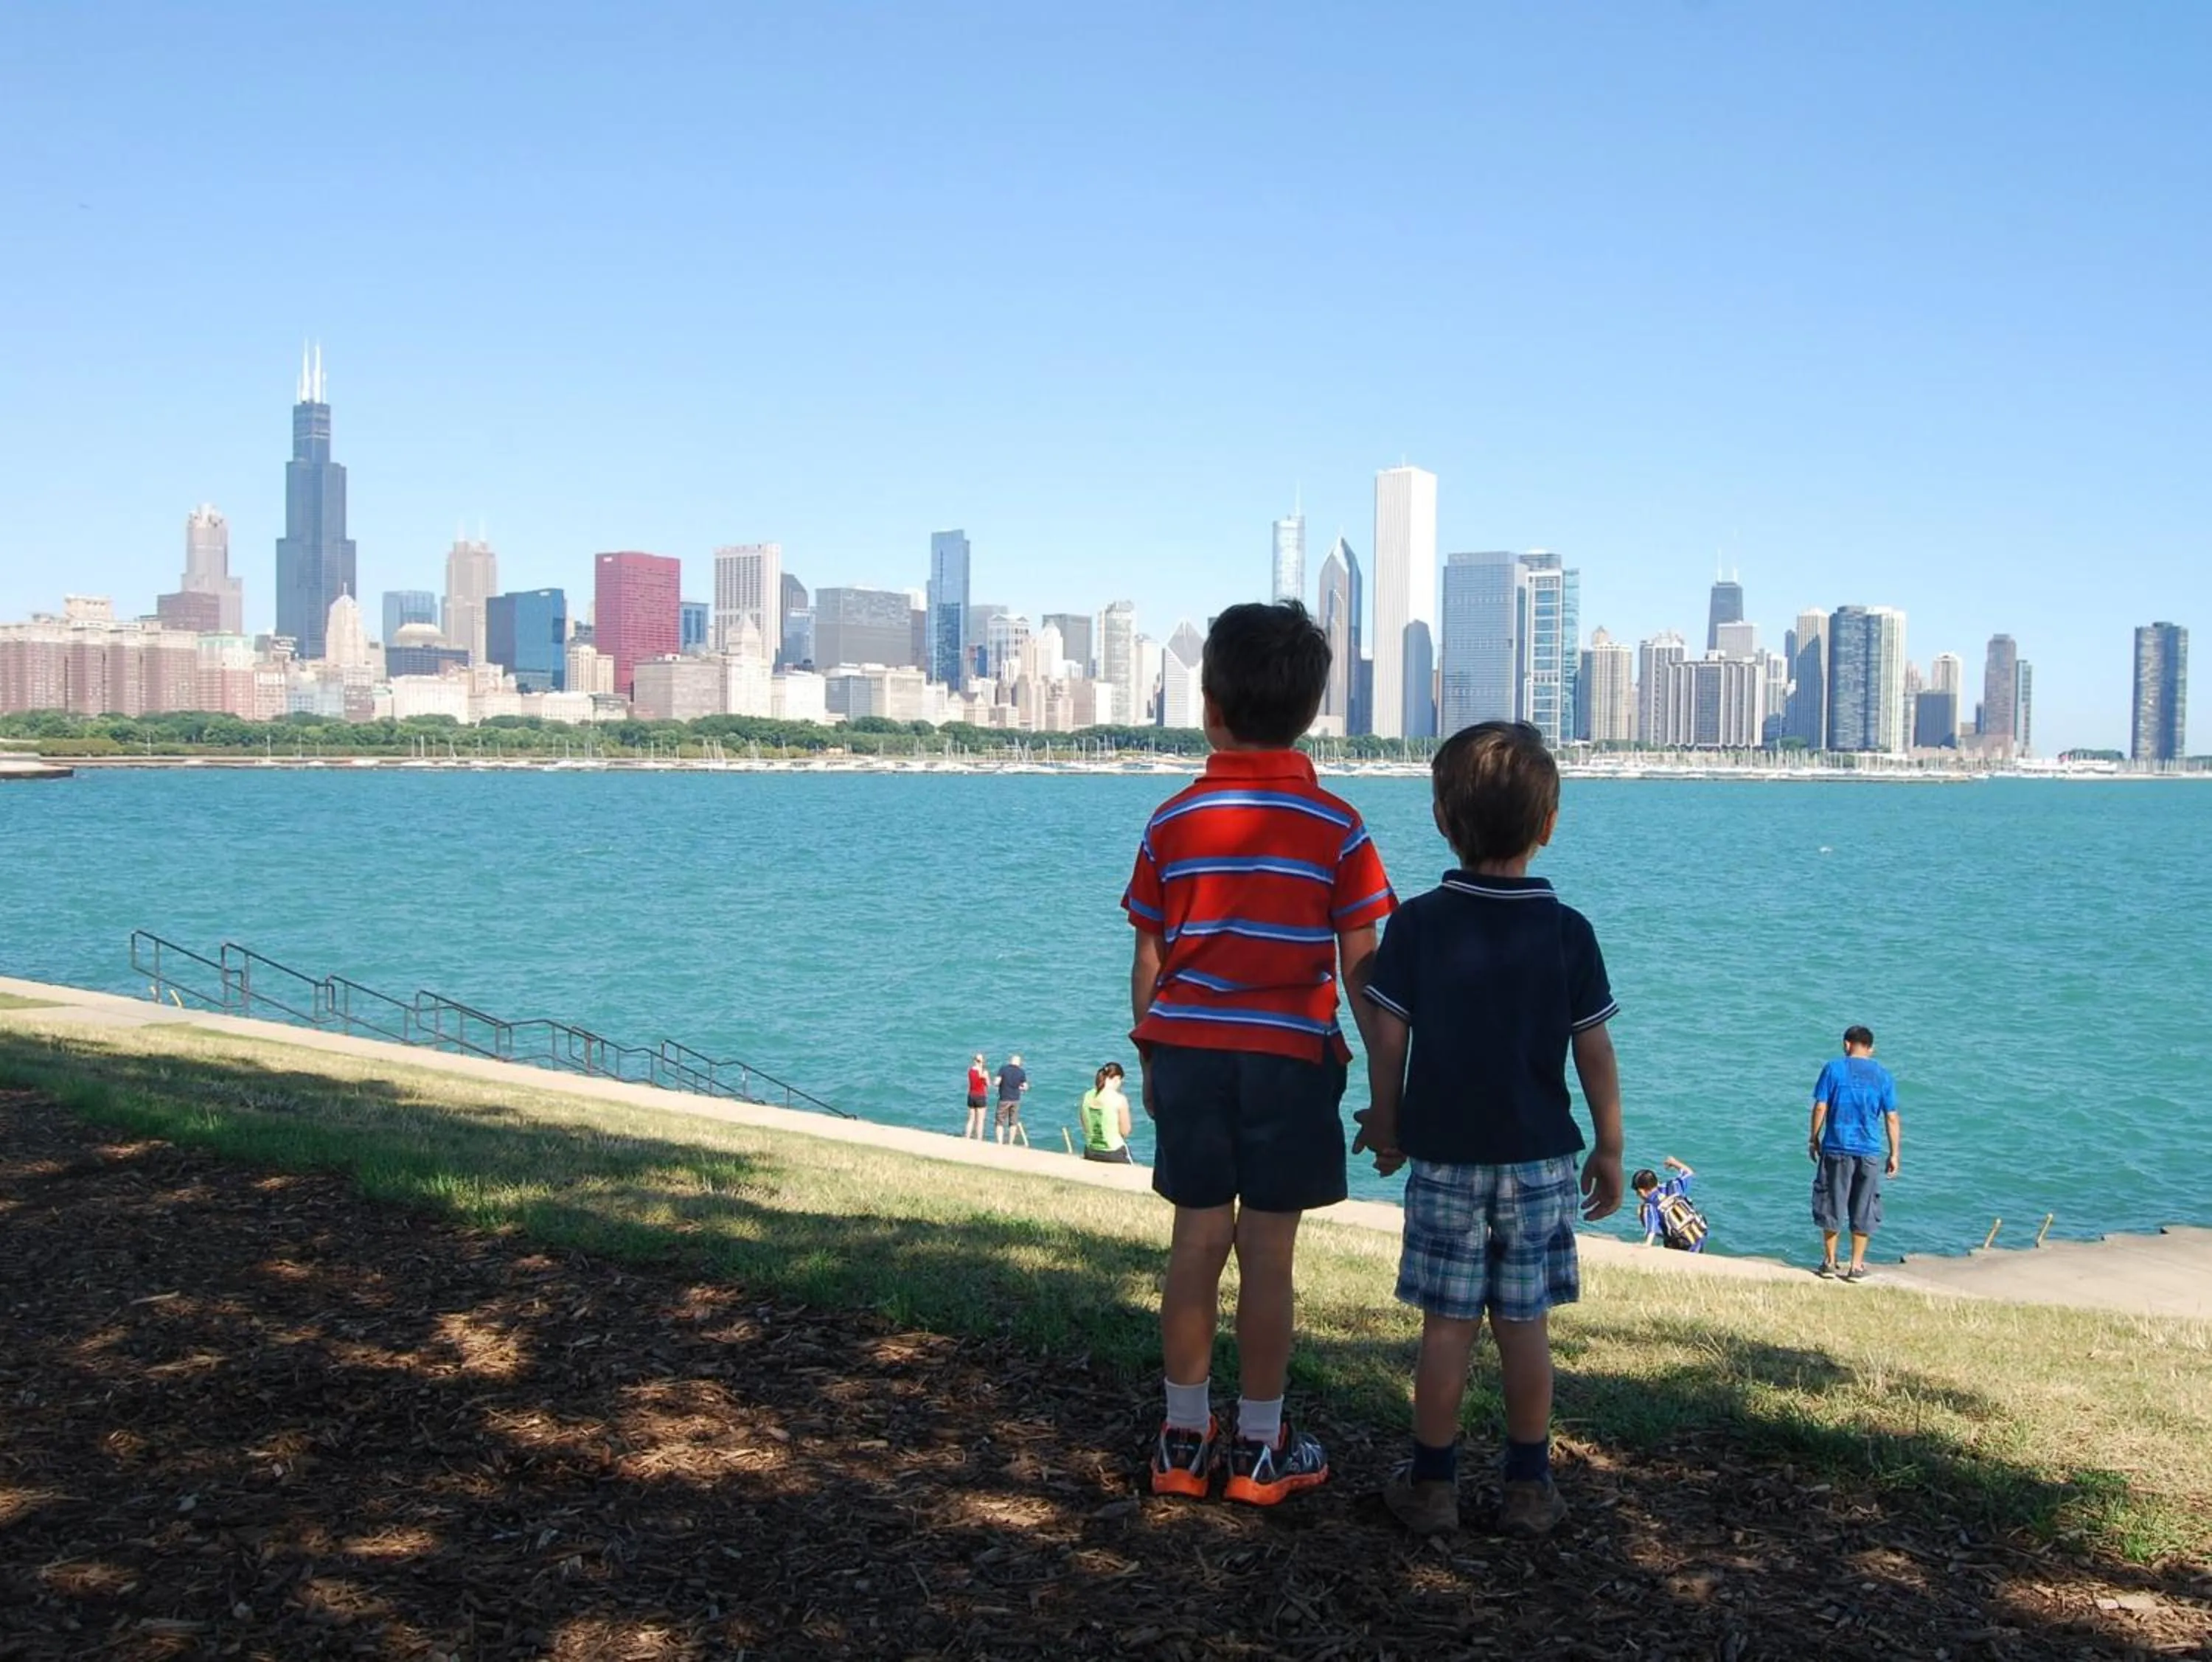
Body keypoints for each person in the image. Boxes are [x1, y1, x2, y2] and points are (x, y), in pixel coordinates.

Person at [1124, 600, 1394, 1508]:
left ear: (1208, 704)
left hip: (1192, 1057)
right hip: (1291, 1062)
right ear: (1312, 710)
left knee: (1195, 1242)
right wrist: (1389, 1089)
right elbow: (1366, 972)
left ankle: (1181, 1437)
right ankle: (1262, 1448)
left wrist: (1153, 1059)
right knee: (1268, 1255)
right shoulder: (1338, 827)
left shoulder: (1170, 824)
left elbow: (1150, 958)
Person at [1354, 720, 1624, 1540]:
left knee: (1446, 1326)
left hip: (1445, 1157)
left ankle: (1433, 1485)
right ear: (1549, 824)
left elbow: (1389, 1039)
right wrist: (1609, 1144)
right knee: (1524, 1325)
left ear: (1441, 817)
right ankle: (1529, 1485)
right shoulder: (1567, 930)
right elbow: (1595, 1047)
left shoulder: (1420, 925)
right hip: (1542, 1158)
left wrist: (1388, 1121)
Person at [1809, 1024, 1900, 1282]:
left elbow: (1820, 1107)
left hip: (1836, 1145)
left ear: (1846, 1044)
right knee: (1864, 1205)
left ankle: (1829, 1262)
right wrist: (1894, 1154)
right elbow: (1891, 1117)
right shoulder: (1883, 1075)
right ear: (1870, 1048)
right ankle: (1856, 1266)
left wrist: (1813, 1138)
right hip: (1869, 1150)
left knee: (1831, 1202)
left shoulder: (1833, 1069)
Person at [1634, 1156, 1707, 1252]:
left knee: (1641, 1210)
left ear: (1641, 1191)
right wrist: (1674, 1163)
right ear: (1656, 1182)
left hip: (1682, 1243)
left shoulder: (1649, 1206)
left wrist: (1647, 1244)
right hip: (1699, 1232)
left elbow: (1652, 1229)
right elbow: (1689, 1172)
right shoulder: (1673, 1187)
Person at [1081, 1063, 1134, 1164]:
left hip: (1090, 1151)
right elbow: (1125, 1131)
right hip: (1114, 1153)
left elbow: (1084, 1126)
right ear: (1116, 1079)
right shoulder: (1119, 1099)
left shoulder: (1087, 1096)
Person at [995, 1053, 1029, 1146]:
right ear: (1019, 1063)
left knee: (1000, 1121)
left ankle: (1000, 1142)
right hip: (1015, 1099)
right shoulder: (1021, 1072)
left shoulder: (1003, 1069)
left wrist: (1000, 1084)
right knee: (1013, 1122)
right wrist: (1019, 1088)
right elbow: (1025, 1087)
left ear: (1010, 1061)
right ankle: (1010, 1143)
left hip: (1004, 1098)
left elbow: (997, 1082)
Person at [964, 1054, 991, 1141]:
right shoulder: (983, 1072)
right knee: (980, 1121)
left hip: (971, 1096)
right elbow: (988, 1084)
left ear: (974, 1061)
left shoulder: (970, 1071)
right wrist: (985, 1077)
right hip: (980, 1096)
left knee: (971, 1119)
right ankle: (979, 1139)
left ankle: (967, 1137)